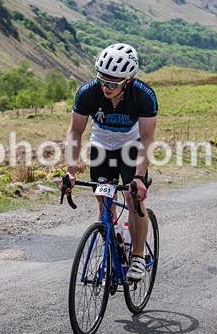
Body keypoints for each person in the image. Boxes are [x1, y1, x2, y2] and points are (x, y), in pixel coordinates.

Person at [63, 43, 158, 282]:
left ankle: (137, 256)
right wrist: (70, 171)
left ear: (128, 80)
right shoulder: (88, 92)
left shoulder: (143, 95)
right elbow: (75, 133)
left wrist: (139, 177)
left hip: (131, 147)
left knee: (133, 198)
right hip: (102, 147)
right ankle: (113, 245)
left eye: (113, 84)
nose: (106, 88)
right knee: (104, 200)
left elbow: (147, 139)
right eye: (102, 80)